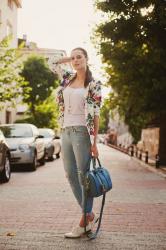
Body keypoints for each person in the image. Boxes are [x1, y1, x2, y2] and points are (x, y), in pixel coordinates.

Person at [56, 47, 102, 238]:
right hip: (65, 131)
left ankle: (84, 222)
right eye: (73, 58)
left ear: (86, 59)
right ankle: (90, 214)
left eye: (79, 57)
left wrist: (95, 143)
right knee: (69, 174)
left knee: (84, 176)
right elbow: (51, 63)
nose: (75, 60)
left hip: (82, 132)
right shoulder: (67, 78)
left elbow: (97, 114)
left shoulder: (94, 84)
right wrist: (68, 58)